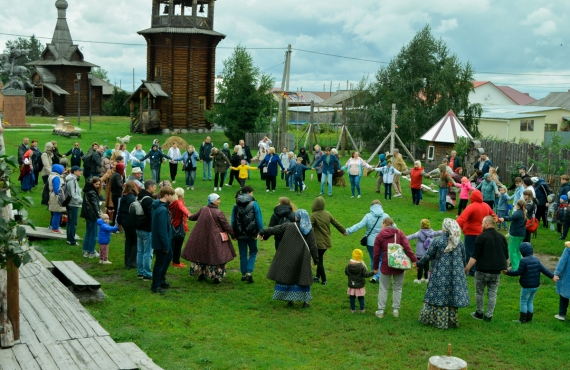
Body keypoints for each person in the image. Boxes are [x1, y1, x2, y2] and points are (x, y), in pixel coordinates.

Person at [258, 209, 319, 308]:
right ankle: (305, 301)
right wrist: (316, 259)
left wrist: (262, 231)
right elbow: (313, 246)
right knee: (303, 277)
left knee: (290, 276)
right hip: (303, 257)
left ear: (297, 217)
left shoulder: (289, 226)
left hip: (289, 256)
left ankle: (290, 299)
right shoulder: (309, 230)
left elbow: (275, 229)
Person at [417, 219, 470, 329]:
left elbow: (427, 255)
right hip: (455, 275)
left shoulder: (438, 241)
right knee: (451, 295)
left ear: (445, 228)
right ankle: (451, 321)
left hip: (439, 273)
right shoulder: (459, 242)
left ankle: (435, 320)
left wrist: (418, 263)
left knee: (437, 295)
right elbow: (464, 259)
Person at [181, 193, 236, 284]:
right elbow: (226, 226)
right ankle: (217, 276)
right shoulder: (218, 213)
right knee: (218, 257)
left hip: (202, 238)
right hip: (216, 240)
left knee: (203, 255)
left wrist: (187, 214)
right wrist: (233, 235)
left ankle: (202, 274)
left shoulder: (203, 209)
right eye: (218, 199)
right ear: (213, 201)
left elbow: (193, 217)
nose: (219, 201)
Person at [464, 216, 509, 322]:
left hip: (482, 270)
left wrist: (467, 268)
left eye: (482, 223)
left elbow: (475, 255)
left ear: (487, 224)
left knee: (479, 292)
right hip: (496, 271)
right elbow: (506, 256)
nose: (481, 225)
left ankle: (479, 313)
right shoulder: (502, 237)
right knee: (492, 293)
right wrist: (505, 268)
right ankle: (489, 316)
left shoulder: (481, 237)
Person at [373, 217, 418, 318]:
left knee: (383, 288)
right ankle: (395, 311)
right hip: (399, 264)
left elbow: (376, 254)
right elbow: (408, 248)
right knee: (397, 288)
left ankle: (380, 311)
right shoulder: (399, 233)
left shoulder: (380, 235)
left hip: (385, 264)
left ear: (384, 224)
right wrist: (414, 260)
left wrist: (375, 267)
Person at [503, 242, 555, 323]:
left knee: (523, 301)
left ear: (522, 252)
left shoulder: (523, 261)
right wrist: (552, 276)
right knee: (530, 301)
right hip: (536, 286)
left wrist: (508, 273)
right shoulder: (536, 259)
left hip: (527, 286)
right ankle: (529, 318)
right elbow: (544, 270)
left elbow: (518, 272)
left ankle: (523, 319)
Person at [345, 200, 390, 284]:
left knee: (373, 259)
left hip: (370, 242)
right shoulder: (386, 216)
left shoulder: (368, 216)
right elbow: (394, 227)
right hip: (383, 241)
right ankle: (378, 276)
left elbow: (359, 225)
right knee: (380, 259)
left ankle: (375, 275)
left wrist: (348, 231)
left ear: (371, 207)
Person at [456, 190, 497, 276]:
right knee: (481, 251)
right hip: (482, 233)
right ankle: (480, 268)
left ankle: (471, 270)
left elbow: (462, 218)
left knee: (470, 252)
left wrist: (453, 227)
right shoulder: (486, 206)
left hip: (471, 233)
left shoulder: (471, 207)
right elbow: (494, 216)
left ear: (472, 197)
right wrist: (498, 220)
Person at [311, 196, 347, 285]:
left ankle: (324, 280)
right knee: (320, 258)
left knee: (319, 260)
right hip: (326, 241)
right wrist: (344, 231)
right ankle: (317, 277)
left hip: (318, 242)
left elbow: (308, 227)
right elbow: (336, 223)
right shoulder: (327, 213)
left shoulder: (313, 215)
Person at [231, 186, 264, 283]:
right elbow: (258, 219)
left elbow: (233, 220)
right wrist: (261, 231)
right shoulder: (254, 204)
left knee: (243, 254)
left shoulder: (235, 205)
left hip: (240, 233)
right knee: (253, 252)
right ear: (249, 193)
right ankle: (249, 272)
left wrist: (233, 233)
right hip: (252, 233)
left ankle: (243, 274)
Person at [149, 186, 175, 294]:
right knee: (160, 263)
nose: (173, 197)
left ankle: (161, 280)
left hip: (163, 241)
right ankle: (156, 285)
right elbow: (162, 229)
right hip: (162, 242)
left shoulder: (159, 206)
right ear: (166, 195)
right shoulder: (162, 210)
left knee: (168, 258)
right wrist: (165, 245)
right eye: (171, 195)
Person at [407, 219, 443, 283]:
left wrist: (403, 238)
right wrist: (443, 231)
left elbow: (412, 236)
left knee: (420, 266)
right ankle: (426, 278)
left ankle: (419, 279)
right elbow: (438, 232)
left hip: (420, 252)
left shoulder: (420, 233)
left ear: (422, 225)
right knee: (426, 266)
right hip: (428, 253)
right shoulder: (431, 232)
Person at [136, 179, 156, 281]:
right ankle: (147, 274)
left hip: (138, 227)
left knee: (140, 251)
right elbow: (150, 214)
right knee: (148, 252)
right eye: (154, 187)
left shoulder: (139, 196)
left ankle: (140, 272)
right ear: (150, 187)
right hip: (147, 228)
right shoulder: (148, 200)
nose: (155, 189)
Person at [117, 180, 139, 270]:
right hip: (131, 220)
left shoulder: (123, 197)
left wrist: (119, 222)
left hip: (124, 219)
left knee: (129, 241)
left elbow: (120, 210)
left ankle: (127, 261)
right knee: (135, 241)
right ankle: (131, 262)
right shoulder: (133, 198)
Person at [500, 199, 528, 270]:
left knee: (512, 250)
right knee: (518, 250)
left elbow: (511, 218)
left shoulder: (518, 212)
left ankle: (515, 268)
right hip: (521, 234)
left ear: (518, 206)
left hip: (515, 235)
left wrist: (503, 218)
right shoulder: (523, 212)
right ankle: (521, 265)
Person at [345, 249, 375, 314]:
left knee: (352, 297)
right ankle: (362, 309)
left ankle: (352, 309)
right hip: (360, 285)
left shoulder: (349, 265)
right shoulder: (362, 266)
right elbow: (366, 275)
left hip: (351, 285)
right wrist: (373, 272)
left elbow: (346, 272)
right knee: (361, 297)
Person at [81, 177, 102, 258]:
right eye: (96, 184)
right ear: (92, 183)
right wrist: (98, 215)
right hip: (92, 215)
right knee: (93, 234)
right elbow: (95, 205)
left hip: (87, 214)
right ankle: (91, 251)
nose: (97, 186)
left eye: (99, 184)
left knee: (88, 232)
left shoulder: (87, 191)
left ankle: (86, 249)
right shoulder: (92, 192)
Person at [170, 187, 191, 268]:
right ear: (181, 195)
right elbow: (183, 208)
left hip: (172, 224)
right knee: (178, 246)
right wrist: (189, 214)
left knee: (173, 244)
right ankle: (176, 262)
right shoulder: (179, 202)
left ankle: (172, 259)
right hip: (179, 226)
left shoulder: (172, 201)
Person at [65, 166, 83, 245]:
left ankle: (69, 238)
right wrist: (81, 201)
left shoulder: (70, 178)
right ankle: (72, 240)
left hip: (70, 203)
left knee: (70, 222)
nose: (81, 172)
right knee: (73, 223)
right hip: (73, 204)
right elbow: (74, 193)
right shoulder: (73, 180)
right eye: (79, 171)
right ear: (75, 172)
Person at [47, 164, 66, 234]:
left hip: (52, 195)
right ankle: (55, 228)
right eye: (62, 169)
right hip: (56, 196)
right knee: (58, 212)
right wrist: (60, 195)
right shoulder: (56, 177)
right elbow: (56, 189)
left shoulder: (52, 175)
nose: (64, 171)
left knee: (55, 212)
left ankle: (53, 226)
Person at [554, 241, 570, 321]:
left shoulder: (568, 247)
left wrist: (557, 273)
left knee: (564, 295)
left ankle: (562, 314)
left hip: (568, 276)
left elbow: (562, 262)